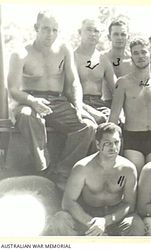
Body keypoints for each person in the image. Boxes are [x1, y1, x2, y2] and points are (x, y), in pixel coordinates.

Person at [7, 10, 94, 179]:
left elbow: (74, 82)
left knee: (88, 126)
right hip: (28, 99)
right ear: (36, 28)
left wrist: (77, 106)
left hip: (58, 101)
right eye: (46, 29)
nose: (50, 34)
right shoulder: (20, 54)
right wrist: (32, 101)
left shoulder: (64, 49)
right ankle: (44, 168)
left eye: (55, 30)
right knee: (26, 115)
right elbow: (13, 90)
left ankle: (63, 171)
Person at [61, 122, 145, 236]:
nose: (113, 148)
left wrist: (106, 221)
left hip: (115, 216)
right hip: (86, 214)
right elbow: (68, 202)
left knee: (136, 225)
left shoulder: (128, 169)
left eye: (116, 142)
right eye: (107, 143)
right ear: (97, 144)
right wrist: (93, 225)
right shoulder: (82, 168)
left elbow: (130, 204)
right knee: (60, 220)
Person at [109, 38, 151, 175]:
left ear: (150, 55)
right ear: (131, 57)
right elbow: (114, 115)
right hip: (132, 138)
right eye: (136, 53)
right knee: (135, 173)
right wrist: (109, 140)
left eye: (143, 52)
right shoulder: (123, 83)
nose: (140, 56)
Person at [74, 18, 116, 124]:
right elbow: (67, 91)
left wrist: (120, 112)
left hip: (99, 104)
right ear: (80, 32)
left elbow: (116, 89)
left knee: (116, 123)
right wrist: (89, 111)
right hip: (77, 104)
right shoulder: (71, 57)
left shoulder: (103, 59)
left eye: (96, 31)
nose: (93, 34)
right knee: (91, 124)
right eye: (89, 29)